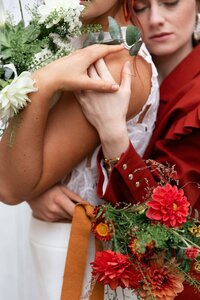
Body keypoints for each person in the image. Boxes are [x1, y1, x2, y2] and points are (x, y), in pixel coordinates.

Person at [28, 0, 200, 299]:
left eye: (171, 2)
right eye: (142, 7)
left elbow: (161, 225)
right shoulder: (126, 67)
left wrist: (112, 133)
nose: (156, 19)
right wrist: (39, 187)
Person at [0, 0, 159, 299]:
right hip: (63, 245)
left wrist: (42, 82)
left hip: (76, 256)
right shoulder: (79, 42)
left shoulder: (112, 67)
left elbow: (9, 186)